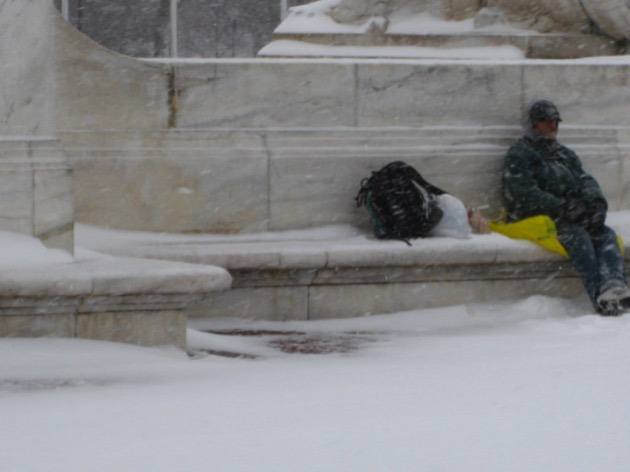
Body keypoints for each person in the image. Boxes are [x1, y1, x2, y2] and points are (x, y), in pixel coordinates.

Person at [503, 99, 630, 316]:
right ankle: (600, 297)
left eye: (556, 121)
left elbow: (585, 180)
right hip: (542, 217)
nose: (553, 126)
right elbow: (522, 192)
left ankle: (614, 286)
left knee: (605, 234)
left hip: (572, 213)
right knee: (579, 239)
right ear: (535, 124)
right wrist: (561, 206)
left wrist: (595, 204)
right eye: (547, 121)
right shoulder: (520, 153)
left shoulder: (564, 154)